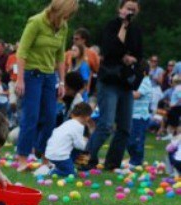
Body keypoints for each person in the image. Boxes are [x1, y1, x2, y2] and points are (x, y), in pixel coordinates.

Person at [15, 0, 77, 172]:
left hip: (50, 77)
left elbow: (60, 56)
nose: (67, 18)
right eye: (66, 14)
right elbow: (22, 51)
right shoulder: (36, 22)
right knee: (31, 117)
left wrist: (62, 81)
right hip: (31, 75)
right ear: (58, 10)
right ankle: (22, 157)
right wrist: (20, 79)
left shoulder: (63, 27)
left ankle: (43, 156)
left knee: (50, 118)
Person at [85, 0, 143, 171]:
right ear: (120, 9)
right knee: (106, 124)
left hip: (126, 83)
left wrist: (132, 58)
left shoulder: (137, 30)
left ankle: (112, 162)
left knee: (125, 127)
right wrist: (123, 27)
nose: (130, 11)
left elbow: (139, 53)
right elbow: (110, 50)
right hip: (109, 81)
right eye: (127, 8)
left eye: (134, 9)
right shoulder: (112, 25)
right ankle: (88, 157)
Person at [44, 102, 92, 176]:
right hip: (59, 156)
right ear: (87, 117)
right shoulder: (79, 126)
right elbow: (79, 145)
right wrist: (86, 142)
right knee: (71, 173)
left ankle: (65, 165)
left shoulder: (67, 123)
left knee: (74, 150)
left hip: (50, 153)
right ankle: (50, 171)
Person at [127, 62, 152, 167]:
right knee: (129, 140)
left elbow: (137, 95)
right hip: (133, 116)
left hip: (140, 117)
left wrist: (125, 91)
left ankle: (137, 161)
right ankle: (134, 159)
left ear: (144, 73)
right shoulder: (138, 81)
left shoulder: (145, 81)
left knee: (137, 140)